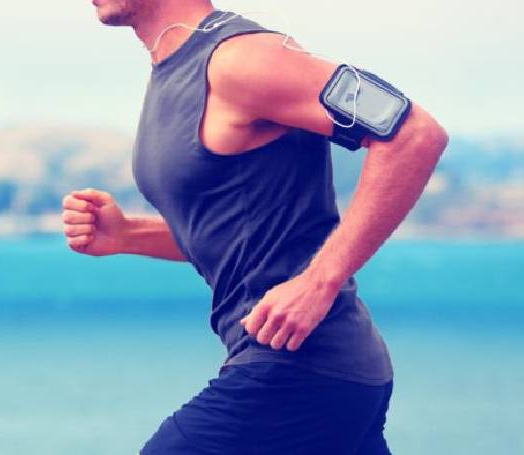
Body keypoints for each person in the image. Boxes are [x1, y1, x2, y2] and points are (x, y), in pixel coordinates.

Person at [61, 1, 449, 453]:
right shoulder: (172, 68)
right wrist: (130, 235)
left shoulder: (244, 59)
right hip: (320, 375)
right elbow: (244, 230)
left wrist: (320, 282)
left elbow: (414, 133)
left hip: (305, 370)